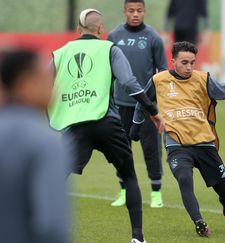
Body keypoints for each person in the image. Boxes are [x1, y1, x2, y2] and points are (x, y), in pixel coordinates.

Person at [47, 9, 165, 243]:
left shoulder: (59, 54)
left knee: (53, 179)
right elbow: (129, 82)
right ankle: (137, 238)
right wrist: (153, 111)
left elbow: (39, 84)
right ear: (101, 30)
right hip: (107, 123)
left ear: (78, 30)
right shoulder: (110, 49)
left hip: (76, 127)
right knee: (129, 176)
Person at [132, 41, 225, 237]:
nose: (189, 67)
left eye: (192, 62)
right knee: (184, 179)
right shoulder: (158, 80)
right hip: (177, 145)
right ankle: (199, 222)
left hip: (204, 143)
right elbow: (143, 103)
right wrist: (136, 126)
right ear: (173, 61)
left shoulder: (202, 78)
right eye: (184, 62)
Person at [0, 50, 70, 243]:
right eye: (47, 80)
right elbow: (51, 225)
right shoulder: (44, 141)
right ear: (26, 84)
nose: (54, 87)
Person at [107, 0, 167, 208]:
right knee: (121, 149)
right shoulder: (114, 36)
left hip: (146, 105)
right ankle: (124, 190)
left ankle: (156, 193)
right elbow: (108, 71)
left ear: (144, 12)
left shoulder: (153, 37)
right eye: (131, 11)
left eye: (139, 11)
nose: (135, 14)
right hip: (121, 104)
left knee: (152, 150)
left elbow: (163, 72)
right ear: (124, 11)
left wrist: (158, 103)